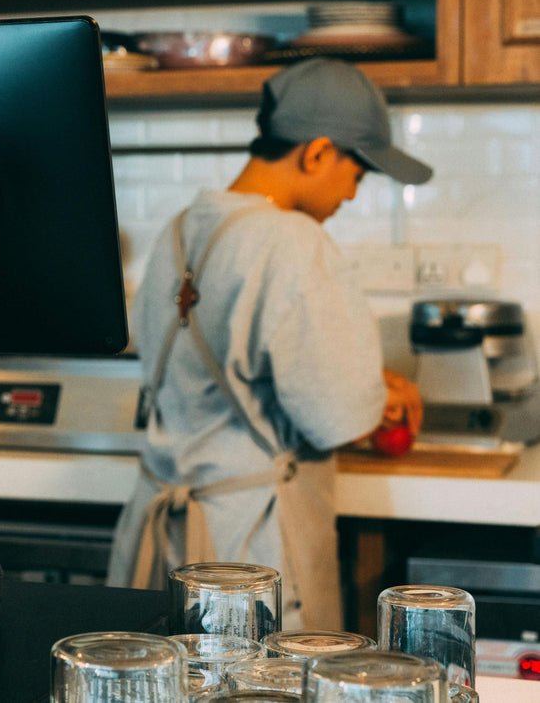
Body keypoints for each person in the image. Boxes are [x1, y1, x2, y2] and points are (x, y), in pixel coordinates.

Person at [106, 57, 427, 630]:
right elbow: (340, 418)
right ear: (318, 153)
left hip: (160, 538)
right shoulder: (293, 239)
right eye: (357, 174)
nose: (352, 195)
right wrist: (383, 397)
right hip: (249, 554)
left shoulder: (178, 228)